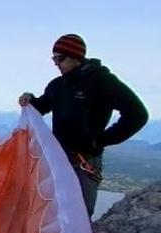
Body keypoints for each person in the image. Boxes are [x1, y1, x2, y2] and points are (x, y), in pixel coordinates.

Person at [18, 34, 149, 217]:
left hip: (85, 162)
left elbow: (137, 114)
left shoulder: (102, 81)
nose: (56, 63)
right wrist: (30, 100)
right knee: (54, 215)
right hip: (59, 160)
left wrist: (100, 140)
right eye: (53, 58)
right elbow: (42, 106)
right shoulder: (58, 85)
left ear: (75, 56)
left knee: (78, 216)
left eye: (60, 58)